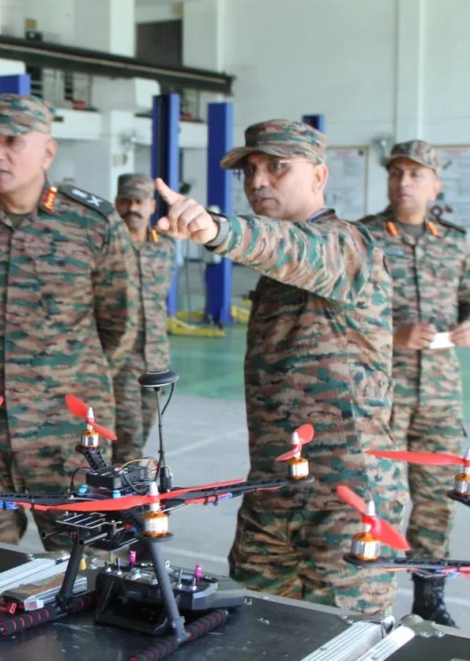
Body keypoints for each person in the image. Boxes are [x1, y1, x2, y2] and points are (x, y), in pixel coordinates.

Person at [154, 119, 407, 615]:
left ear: (319, 176)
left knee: (345, 637)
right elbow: (277, 249)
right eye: (250, 170)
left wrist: (214, 228)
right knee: (254, 631)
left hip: (347, 497)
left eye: (277, 167)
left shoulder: (349, 246)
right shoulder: (274, 269)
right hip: (273, 490)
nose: (258, 181)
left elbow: (294, 246)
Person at [0, 94, 139, 551]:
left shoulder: (93, 224)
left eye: (12, 142)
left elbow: (119, 328)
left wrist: (64, 381)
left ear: (47, 151)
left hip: (67, 438)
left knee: (84, 571)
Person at [358, 141, 469, 625]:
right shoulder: (362, 237)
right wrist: (392, 335)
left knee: (437, 500)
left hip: (441, 394)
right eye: (396, 173)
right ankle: (365, 593)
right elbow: (342, 313)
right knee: (372, 494)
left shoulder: (456, 241)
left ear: (435, 183)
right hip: (381, 393)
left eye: (416, 174)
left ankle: (429, 597)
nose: (404, 182)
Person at [111, 173, 176, 464]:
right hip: (120, 356)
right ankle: (124, 498)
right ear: (116, 204)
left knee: (149, 424)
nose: (132, 208)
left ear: (152, 206)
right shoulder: (107, 248)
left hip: (155, 356)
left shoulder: (164, 246)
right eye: (126, 201)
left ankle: (120, 480)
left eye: (139, 202)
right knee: (128, 433)